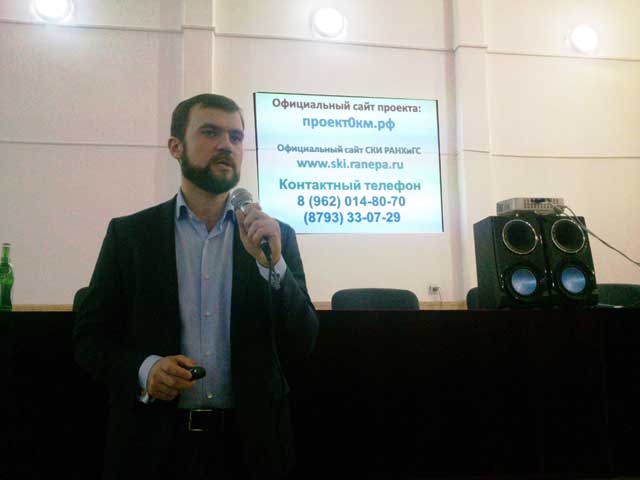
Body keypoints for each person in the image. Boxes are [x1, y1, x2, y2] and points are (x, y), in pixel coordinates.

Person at [73, 93, 319, 480]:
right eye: (210, 132)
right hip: (154, 446)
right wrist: (145, 369)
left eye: (236, 137)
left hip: (251, 446)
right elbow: (90, 340)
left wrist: (272, 266)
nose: (226, 145)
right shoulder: (130, 236)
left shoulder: (273, 237)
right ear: (176, 147)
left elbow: (303, 340)